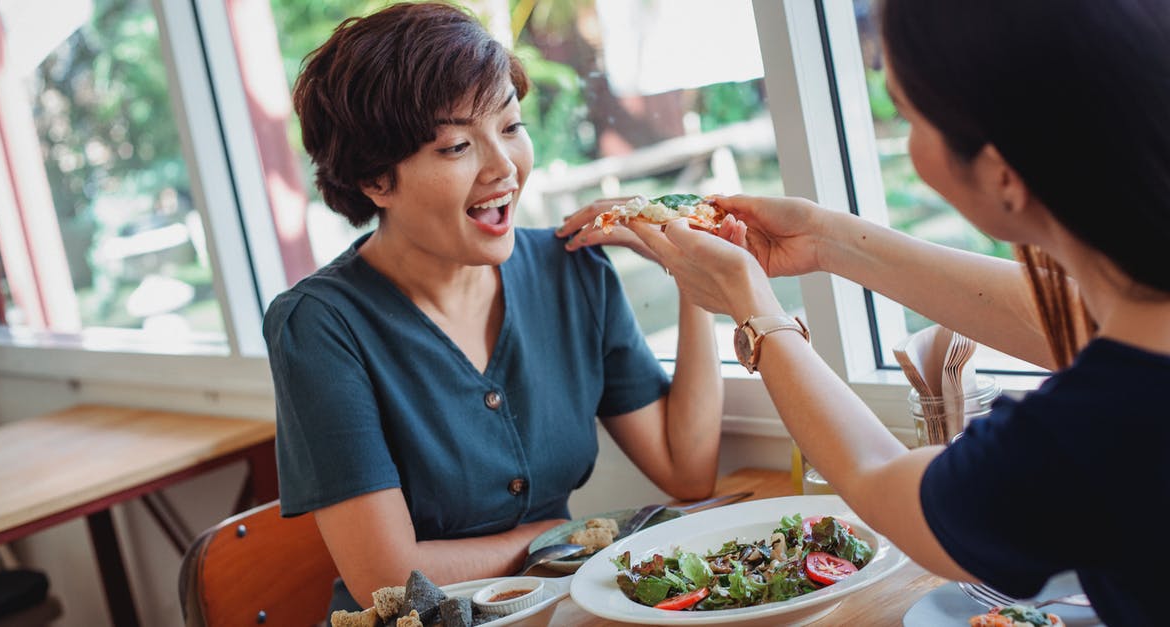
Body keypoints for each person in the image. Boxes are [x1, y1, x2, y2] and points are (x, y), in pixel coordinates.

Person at [566, 1, 1168, 624]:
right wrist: (828, 241)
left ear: (1002, 174)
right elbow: (1074, 321)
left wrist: (753, 309)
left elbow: (883, 483)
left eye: (908, 117)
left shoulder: (1094, 434)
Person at [261, 1, 724, 616]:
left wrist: (692, 276)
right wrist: (565, 539)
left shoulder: (575, 270)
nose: (503, 167)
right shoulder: (319, 326)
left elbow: (687, 470)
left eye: (510, 126)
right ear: (376, 180)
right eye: (457, 146)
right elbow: (387, 576)